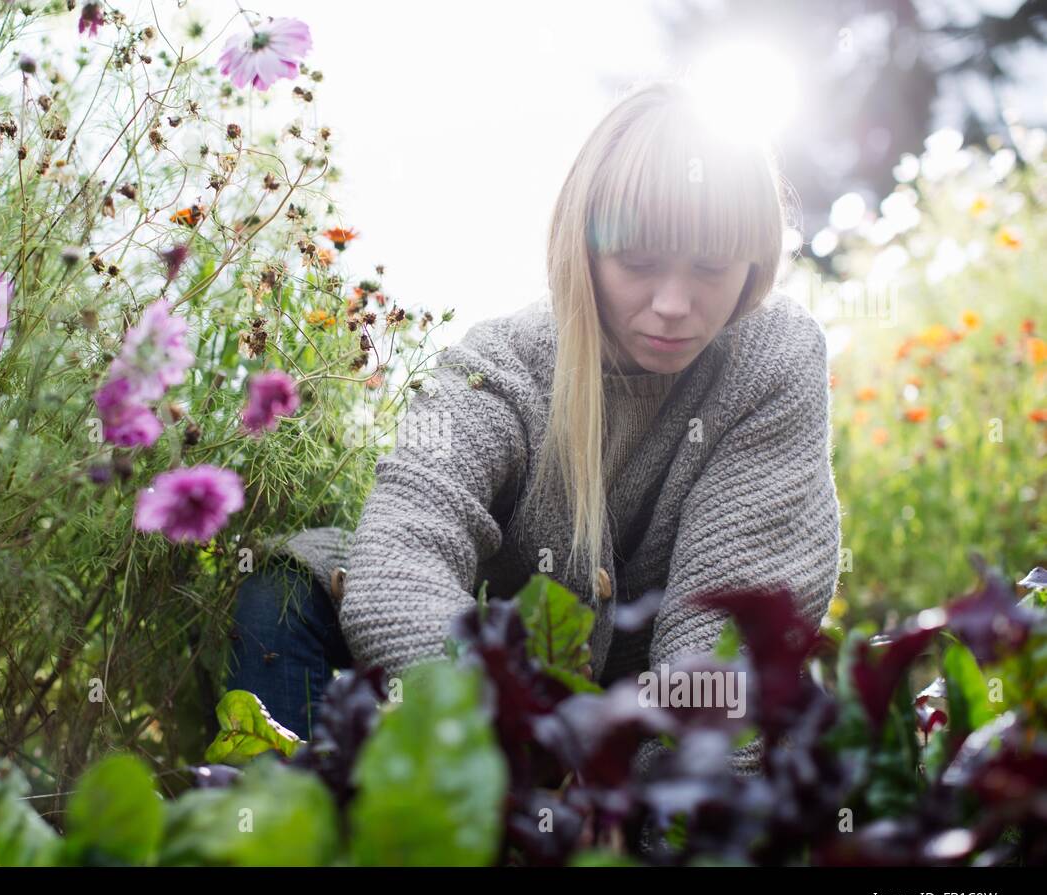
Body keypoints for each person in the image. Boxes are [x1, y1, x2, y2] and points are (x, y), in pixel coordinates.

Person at [226, 77, 843, 775]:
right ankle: (289, 825)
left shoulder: (773, 361)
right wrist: (513, 738)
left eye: (710, 266)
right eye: (639, 262)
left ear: (754, 262)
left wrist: (652, 790)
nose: (674, 303)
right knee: (285, 586)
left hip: (644, 726)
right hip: (498, 713)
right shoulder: (499, 369)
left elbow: (726, 628)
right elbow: (402, 560)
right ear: (584, 250)